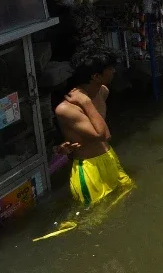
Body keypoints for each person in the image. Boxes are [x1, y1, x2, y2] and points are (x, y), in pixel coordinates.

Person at [53, 44, 133, 209]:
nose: (114, 71)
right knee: (95, 218)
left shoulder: (103, 91)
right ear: (96, 76)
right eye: (110, 68)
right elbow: (103, 135)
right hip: (89, 169)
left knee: (128, 197)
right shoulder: (66, 108)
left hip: (109, 157)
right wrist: (86, 102)